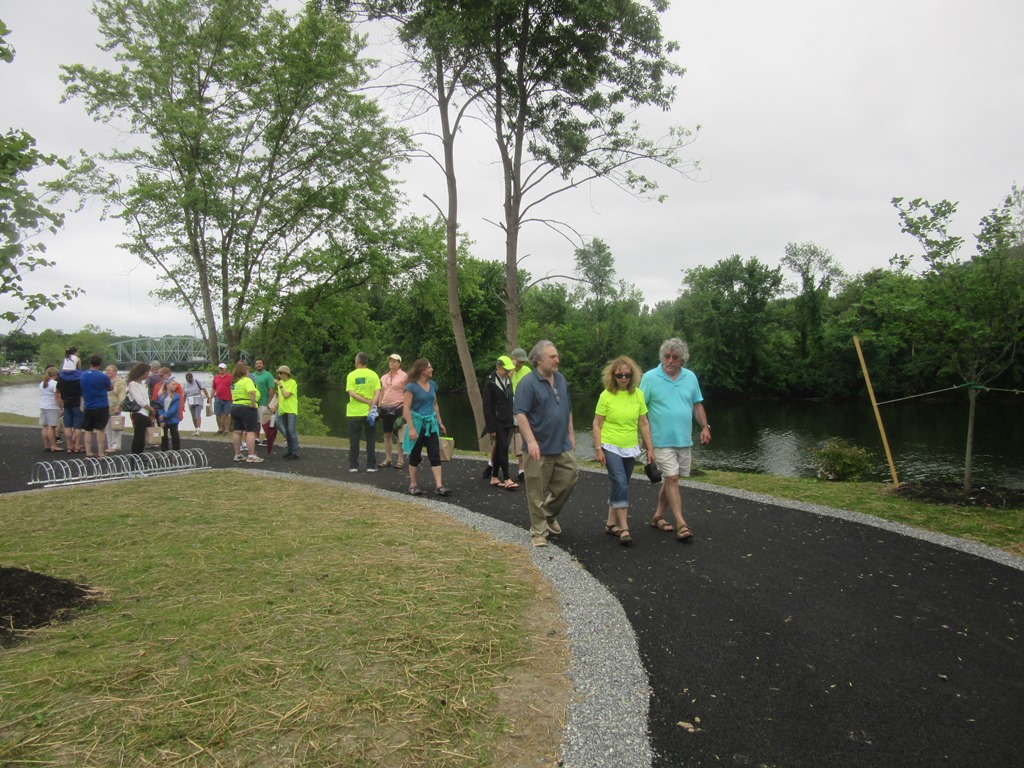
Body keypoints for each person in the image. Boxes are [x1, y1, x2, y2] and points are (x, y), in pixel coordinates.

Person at [639, 337, 711, 542]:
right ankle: (681, 523)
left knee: (670, 478)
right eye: (666, 357)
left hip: (683, 439)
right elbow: (640, 411)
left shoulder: (690, 377)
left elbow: (697, 405)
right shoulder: (650, 378)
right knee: (671, 478)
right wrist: (645, 439)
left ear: (682, 360)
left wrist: (705, 427)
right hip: (659, 440)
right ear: (662, 357)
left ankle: (657, 516)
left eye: (675, 357)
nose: (670, 361)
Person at [513, 340, 578, 547]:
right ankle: (538, 532)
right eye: (552, 357)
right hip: (538, 449)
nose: (557, 360)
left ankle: (548, 514)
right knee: (536, 491)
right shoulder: (528, 383)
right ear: (539, 360)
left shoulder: (560, 380)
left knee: (569, 478)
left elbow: (567, 410)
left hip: (562, 445)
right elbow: (520, 414)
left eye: (557, 356)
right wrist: (530, 441)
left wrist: (571, 435)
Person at [593, 356, 655, 546]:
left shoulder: (638, 395)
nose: (623, 378)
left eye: (627, 375)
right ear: (613, 375)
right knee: (620, 481)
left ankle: (611, 524)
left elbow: (643, 422)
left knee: (622, 484)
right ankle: (624, 527)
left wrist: (650, 448)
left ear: (632, 375)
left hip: (630, 447)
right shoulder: (606, 396)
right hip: (610, 444)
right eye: (620, 375)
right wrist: (598, 448)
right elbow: (597, 424)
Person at [402, 358, 450, 496]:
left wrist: (440, 423)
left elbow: (435, 405)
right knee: (415, 455)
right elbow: (406, 408)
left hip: (431, 424)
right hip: (417, 424)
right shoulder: (411, 387)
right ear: (422, 370)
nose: (432, 369)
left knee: (435, 454)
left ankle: (439, 486)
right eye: (429, 367)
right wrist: (411, 428)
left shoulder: (433, 385)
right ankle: (413, 484)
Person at [482, 355, 519, 490]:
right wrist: (490, 426)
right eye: (505, 369)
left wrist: (515, 423)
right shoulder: (490, 383)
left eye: (509, 369)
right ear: (498, 367)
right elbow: (487, 407)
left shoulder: (508, 380)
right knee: (503, 448)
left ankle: (495, 476)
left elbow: (511, 402)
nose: (508, 372)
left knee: (498, 449)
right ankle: (507, 478)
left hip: (508, 421)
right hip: (496, 422)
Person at [346, 352, 381, 472]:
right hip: (370, 412)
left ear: (357, 361)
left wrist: (365, 401)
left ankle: (353, 465)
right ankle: (371, 465)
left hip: (355, 411)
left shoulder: (351, 375)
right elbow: (377, 392)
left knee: (354, 439)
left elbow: (352, 393)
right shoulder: (374, 375)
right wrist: (371, 404)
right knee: (370, 439)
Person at [80, 354, 113, 457]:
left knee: (88, 430)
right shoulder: (103, 376)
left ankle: (88, 451)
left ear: (90, 363)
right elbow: (110, 387)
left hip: (88, 405)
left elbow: (81, 388)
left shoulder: (83, 375)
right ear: (100, 364)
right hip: (101, 405)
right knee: (100, 429)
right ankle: (101, 452)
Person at [378, 353, 407, 469]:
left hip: (399, 407)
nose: (392, 363)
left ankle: (400, 459)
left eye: (394, 361)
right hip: (386, 408)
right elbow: (382, 392)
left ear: (399, 363)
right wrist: (379, 405)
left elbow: (407, 393)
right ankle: (388, 458)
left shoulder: (404, 376)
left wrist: (406, 409)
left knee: (400, 435)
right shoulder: (384, 377)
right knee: (387, 434)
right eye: (390, 361)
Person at [230, 361, 263, 463]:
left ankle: (238, 454)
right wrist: (253, 404)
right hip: (246, 406)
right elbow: (251, 392)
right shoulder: (247, 381)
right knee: (250, 432)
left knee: (237, 431)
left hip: (235, 406)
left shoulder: (234, 382)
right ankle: (251, 455)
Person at [508, 346, 531, 482]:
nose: (521, 363)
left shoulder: (527, 371)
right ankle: (492, 465)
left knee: (521, 436)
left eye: (522, 361)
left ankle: (523, 468)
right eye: (519, 361)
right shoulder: (509, 371)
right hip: (510, 406)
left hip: (522, 407)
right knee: (511, 437)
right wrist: (510, 371)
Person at [125, 362, 155, 455]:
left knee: (142, 438)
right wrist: (151, 408)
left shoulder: (142, 384)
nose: (147, 376)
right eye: (146, 373)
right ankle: (135, 456)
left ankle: (140, 455)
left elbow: (146, 398)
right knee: (138, 436)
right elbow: (140, 401)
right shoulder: (133, 384)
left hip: (145, 414)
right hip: (139, 413)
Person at [55, 364, 84, 453]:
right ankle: (77, 446)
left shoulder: (62, 379)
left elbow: (57, 391)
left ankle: (69, 446)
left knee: (67, 426)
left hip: (66, 404)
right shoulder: (79, 378)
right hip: (77, 403)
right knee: (77, 427)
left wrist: (61, 405)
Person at [251, 358, 276, 450]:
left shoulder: (268, 375)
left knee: (265, 422)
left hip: (264, 402)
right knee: (256, 422)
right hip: (255, 403)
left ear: (263, 365)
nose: (258, 365)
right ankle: (257, 438)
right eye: (257, 363)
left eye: (260, 363)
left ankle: (266, 438)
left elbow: (271, 389)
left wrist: (270, 402)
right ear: (255, 365)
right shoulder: (252, 376)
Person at [275, 365, 300, 460]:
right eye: (278, 373)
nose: (279, 375)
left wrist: (280, 386)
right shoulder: (280, 383)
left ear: (285, 374)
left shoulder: (292, 383)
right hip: (283, 409)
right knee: (287, 431)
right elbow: (280, 397)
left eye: (280, 373)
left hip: (291, 410)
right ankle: (290, 450)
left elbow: (286, 395)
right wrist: (274, 406)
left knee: (291, 430)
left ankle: (296, 451)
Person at [156, 372, 183, 450]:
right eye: (173, 384)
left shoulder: (176, 396)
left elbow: (174, 409)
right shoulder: (161, 396)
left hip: (173, 419)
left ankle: (176, 451)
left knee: (175, 435)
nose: (175, 386)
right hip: (163, 419)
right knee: (163, 436)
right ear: (167, 385)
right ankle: (165, 451)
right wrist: (161, 417)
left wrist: (164, 415)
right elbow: (160, 407)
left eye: (175, 384)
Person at [104, 364, 126, 452]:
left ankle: (116, 445)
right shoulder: (105, 381)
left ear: (115, 372)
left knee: (115, 426)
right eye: (106, 370)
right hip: (105, 407)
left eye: (109, 370)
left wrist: (119, 405)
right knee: (107, 427)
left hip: (115, 406)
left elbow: (122, 395)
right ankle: (110, 444)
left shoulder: (120, 382)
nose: (107, 372)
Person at [38, 367, 61, 452]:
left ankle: (46, 445)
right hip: (52, 406)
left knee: (45, 426)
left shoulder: (42, 383)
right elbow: (57, 397)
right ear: (55, 375)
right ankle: (53, 445)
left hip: (43, 406)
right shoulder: (54, 384)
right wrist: (61, 407)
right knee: (52, 427)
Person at [182, 372, 209, 436]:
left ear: (192, 378)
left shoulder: (197, 382)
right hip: (190, 400)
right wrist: (183, 404)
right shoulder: (185, 385)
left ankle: (198, 429)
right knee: (193, 415)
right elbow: (184, 395)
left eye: (190, 378)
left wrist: (208, 397)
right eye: (187, 379)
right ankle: (196, 428)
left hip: (198, 399)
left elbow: (204, 389)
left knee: (197, 414)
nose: (189, 380)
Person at [211, 362, 233, 434]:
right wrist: (210, 397)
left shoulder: (230, 377)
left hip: (228, 398)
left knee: (227, 414)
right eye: (220, 368)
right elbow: (214, 388)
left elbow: (233, 387)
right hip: (218, 398)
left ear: (225, 369)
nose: (221, 370)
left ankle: (227, 429)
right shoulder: (216, 377)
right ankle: (220, 428)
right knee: (218, 414)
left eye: (222, 368)